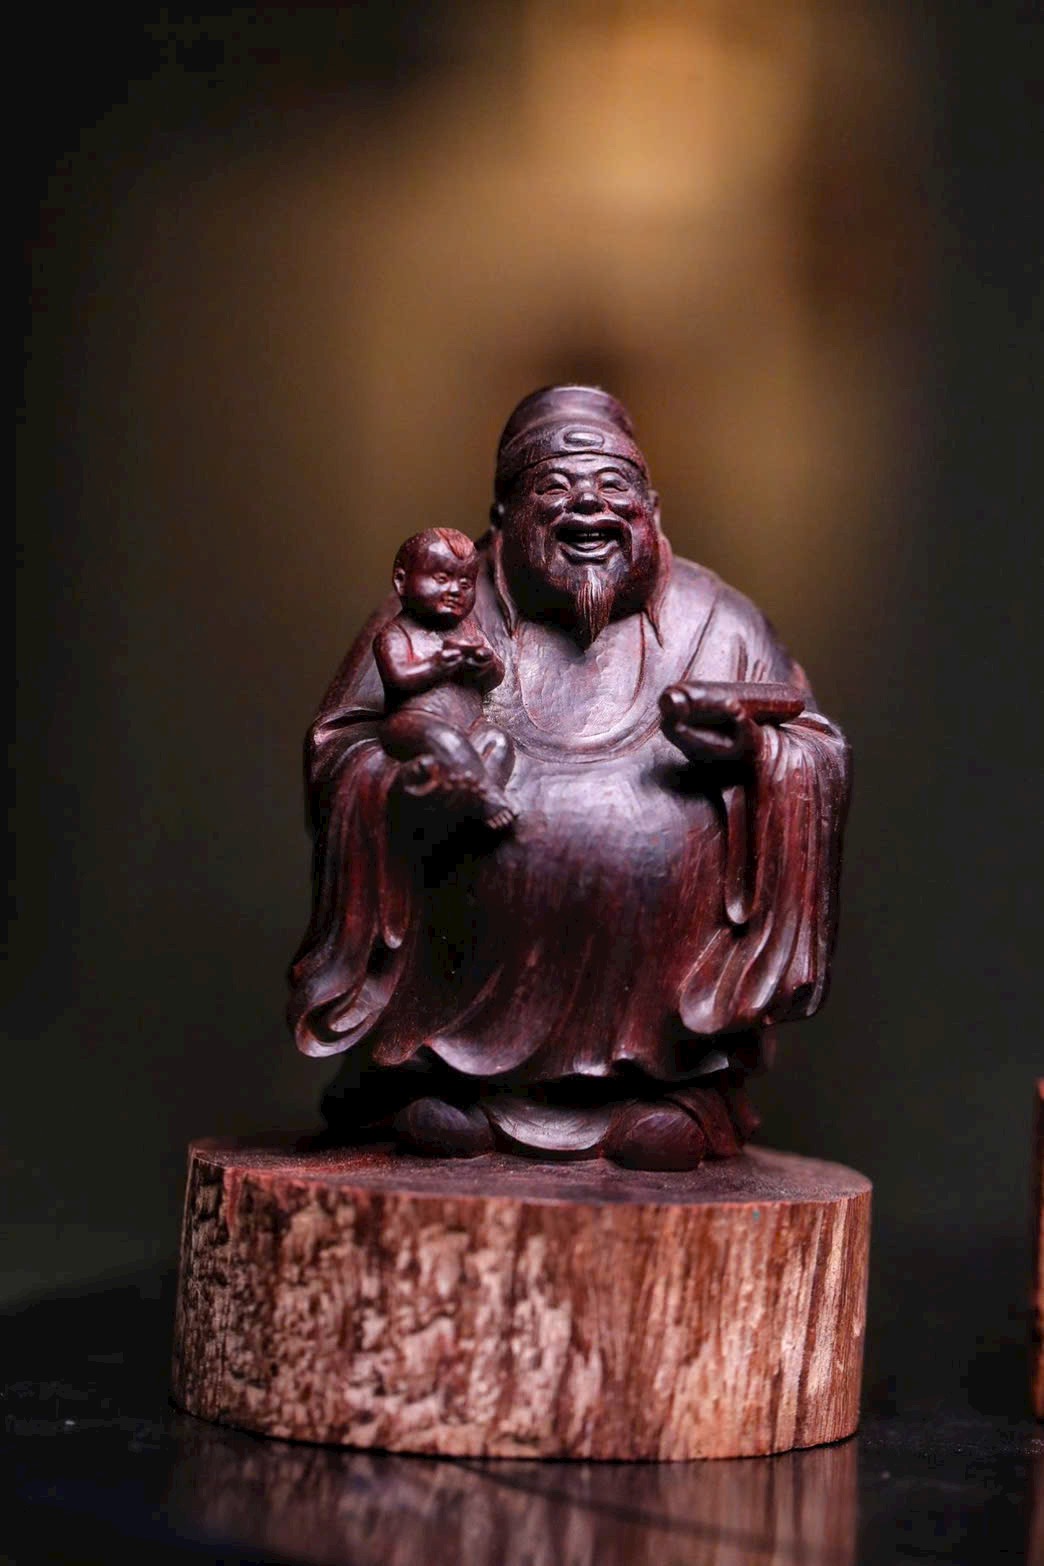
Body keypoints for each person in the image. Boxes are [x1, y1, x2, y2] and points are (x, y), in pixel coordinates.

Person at [288, 386, 850, 1169]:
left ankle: (679, 1093)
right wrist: (400, 787)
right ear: (503, 517)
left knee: (677, 1089)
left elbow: (815, 749)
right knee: (431, 1086)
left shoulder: (719, 619)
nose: (589, 505)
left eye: (615, 486)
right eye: (554, 488)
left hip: (663, 1021)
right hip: (461, 993)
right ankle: (440, 1083)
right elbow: (341, 745)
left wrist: (754, 756)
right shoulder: (438, 610)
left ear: (653, 510)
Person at [375, 528, 514, 832]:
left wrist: (485, 664)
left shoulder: (468, 629)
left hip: (469, 725)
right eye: (441, 579)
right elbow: (399, 677)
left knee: (498, 741)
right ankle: (487, 797)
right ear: (401, 581)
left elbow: (496, 676)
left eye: (465, 584)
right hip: (414, 722)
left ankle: (473, 796)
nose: (454, 590)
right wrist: (436, 665)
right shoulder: (395, 634)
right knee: (447, 742)